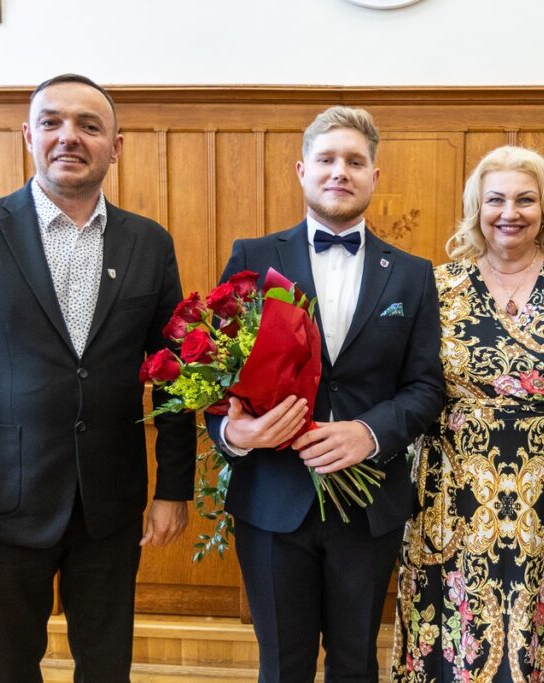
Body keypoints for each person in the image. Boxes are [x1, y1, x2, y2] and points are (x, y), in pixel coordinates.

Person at [0, 74, 196, 683]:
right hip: (1, 505)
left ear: (116, 146)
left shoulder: (149, 242)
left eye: (90, 125)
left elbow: (174, 378)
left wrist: (174, 486)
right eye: (54, 122)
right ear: (28, 136)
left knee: (108, 667)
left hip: (111, 506)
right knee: (9, 670)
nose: (71, 137)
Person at [205, 105, 445, 683]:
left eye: (355, 161)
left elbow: (426, 386)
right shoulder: (252, 257)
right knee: (282, 667)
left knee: (356, 664)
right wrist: (234, 435)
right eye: (327, 159)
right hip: (272, 498)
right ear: (302, 170)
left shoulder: (412, 274)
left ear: (374, 177)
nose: (341, 171)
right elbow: (216, 380)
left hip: (369, 507)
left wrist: (369, 433)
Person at [391, 146, 544, 682]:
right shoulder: (439, 285)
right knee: (452, 624)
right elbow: (409, 381)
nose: (509, 212)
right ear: (476, 208)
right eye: (496, 199)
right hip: (453, 490)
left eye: (525, 199)